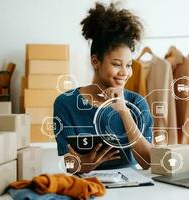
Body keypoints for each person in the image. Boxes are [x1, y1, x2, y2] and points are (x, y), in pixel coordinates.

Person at [53, 2, 153, 173]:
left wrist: (123, 111)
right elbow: (69, 164)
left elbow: (149, 162)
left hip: (133, 186)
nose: (124, 72)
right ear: (95, 61)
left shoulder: (136, 102)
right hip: (87, 185)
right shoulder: (66, 103)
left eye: (128, 65)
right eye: (116, 64)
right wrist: (83, 165)